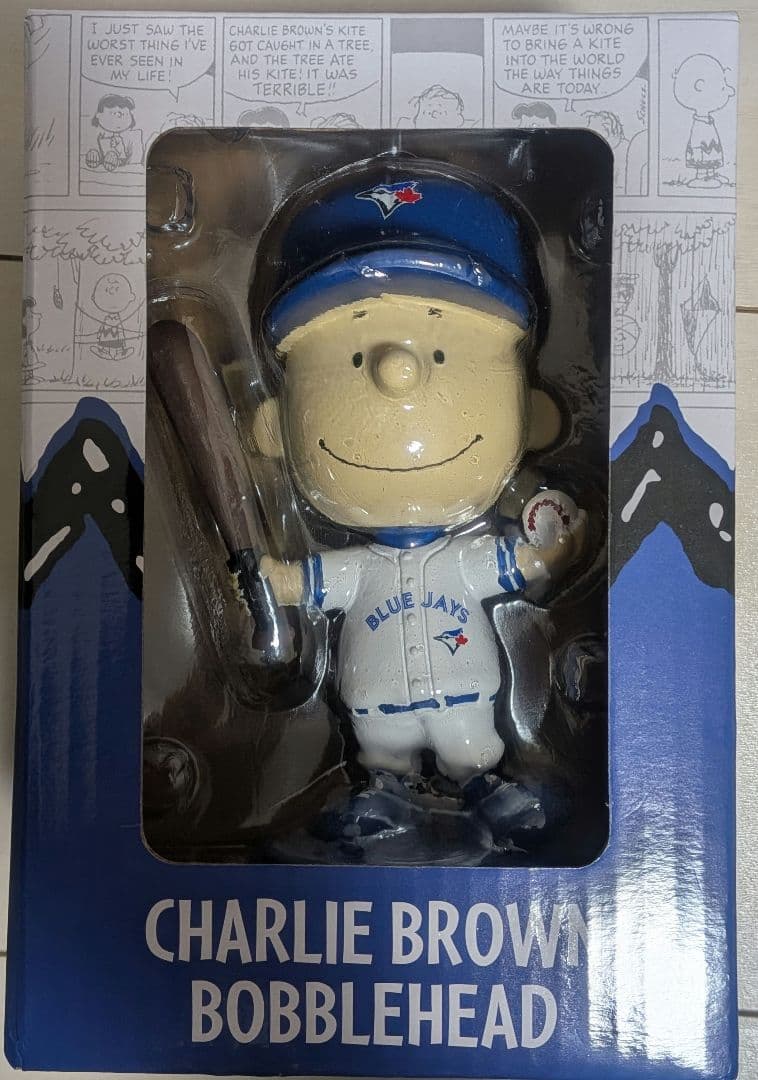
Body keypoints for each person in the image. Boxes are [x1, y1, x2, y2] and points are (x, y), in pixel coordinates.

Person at [240, 159, 586, 846]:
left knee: (470, 741)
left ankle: (482, 781)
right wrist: (270, 580)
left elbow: (521, 564)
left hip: (464, 694)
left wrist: (554, 547)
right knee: (383, 744)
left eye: (442, 350)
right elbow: (306, 584)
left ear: (531, 413)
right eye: (352, 352)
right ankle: (383, 787)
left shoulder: (464, 558)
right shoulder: (358, 569)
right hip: (377, 704)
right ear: (274, 427)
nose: (397, 369)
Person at [673, 54, 735, 188]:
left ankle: (711, 174)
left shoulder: (707, 120)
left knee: (711, 154)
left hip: (709, 141)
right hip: (701, 145)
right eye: (722, 87)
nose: (730, 92)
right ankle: (701, 177)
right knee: (702, 156)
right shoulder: (699, 123)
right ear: (700, 86)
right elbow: (697, 140)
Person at [86, 94, 144, 171]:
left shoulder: (132, 137)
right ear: (98, 115)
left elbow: (134, 160)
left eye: (125, 114)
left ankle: (111, 161)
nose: (119, 118)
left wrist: (119, 150)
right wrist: (95, 155)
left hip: (121, 162)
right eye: (114, 114)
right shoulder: (99, 134)